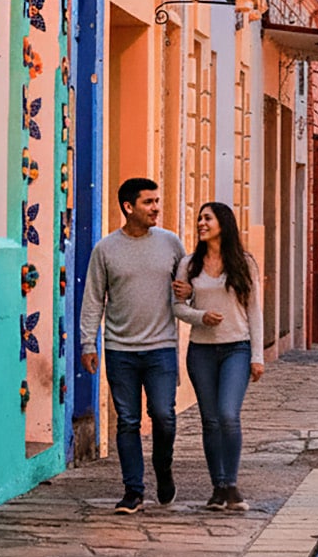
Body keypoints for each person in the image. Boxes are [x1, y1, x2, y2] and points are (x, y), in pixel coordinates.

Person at [80, 177, 187, 514]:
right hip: (119, 349)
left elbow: (188, 286)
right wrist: (88, 343)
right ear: (128, 207)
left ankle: (164, 468)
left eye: (157, 201)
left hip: (161, 348)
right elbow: (94, 298)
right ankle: (133, 490)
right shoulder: (106, 249)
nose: (156, 207)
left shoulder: (171, 244)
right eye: (149, 202)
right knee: (127, 420)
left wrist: (190, 294)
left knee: (164, 416)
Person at [172, 202, 264, 512]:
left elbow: (254, 310)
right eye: (199, 218)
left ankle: (232, 484)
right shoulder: (188, 264)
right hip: (201, 351)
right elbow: (177, 307)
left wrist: (257, 355)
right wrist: (200, 316)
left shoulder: (245, 263)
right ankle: (218, 487)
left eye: (207, 218)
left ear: (223, 223)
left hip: (236, 348)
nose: (201, 223)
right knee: (209, 421)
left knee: (228, 415)